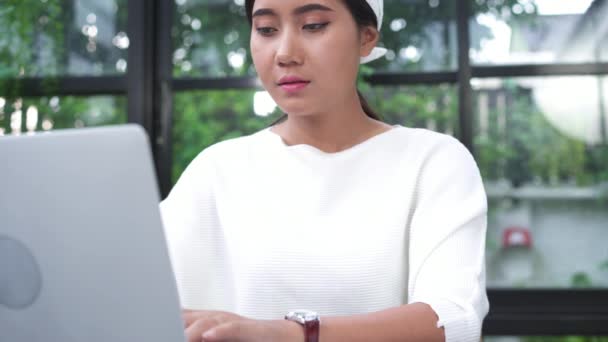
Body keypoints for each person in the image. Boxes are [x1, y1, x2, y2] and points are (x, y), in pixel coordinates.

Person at [159, 0, 489, 341]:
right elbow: (136, 295)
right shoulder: (216, 170)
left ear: (366, 38)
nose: (285, 53)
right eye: (267, 30)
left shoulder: (432, 161)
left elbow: (454, 321)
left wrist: (288, 335)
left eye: (314, 25)